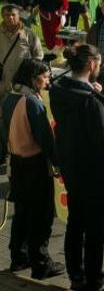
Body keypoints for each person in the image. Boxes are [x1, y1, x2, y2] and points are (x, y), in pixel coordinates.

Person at [50, 44, 104, 291]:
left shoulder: (59, 89)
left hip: (72, 166)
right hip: (94, 173)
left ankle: (76, 276)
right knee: (94, 230)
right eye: (100, 63)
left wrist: (95, 93)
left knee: (75, 224)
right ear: (92, 65)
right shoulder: (90, 102)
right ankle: (95, 280)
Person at [2, 58, 63, 278]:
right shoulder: (32, 102)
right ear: (32, 78)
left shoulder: (10, 98)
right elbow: (45, 139)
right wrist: (58, 162)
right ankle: (40, 263)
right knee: (41, 215)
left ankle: (19, 257)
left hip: (17, 163)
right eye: (45, 76)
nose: (48, 79)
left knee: (22, 213)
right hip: (35, 165)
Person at [0, 5, 44, 100]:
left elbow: (39, 55)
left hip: (23, 84)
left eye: (13, 14)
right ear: (2, 16)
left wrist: (30, 72)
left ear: (19, 16)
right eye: (7, 15)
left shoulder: (29, 34)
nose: (10, 17)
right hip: (3, 81)